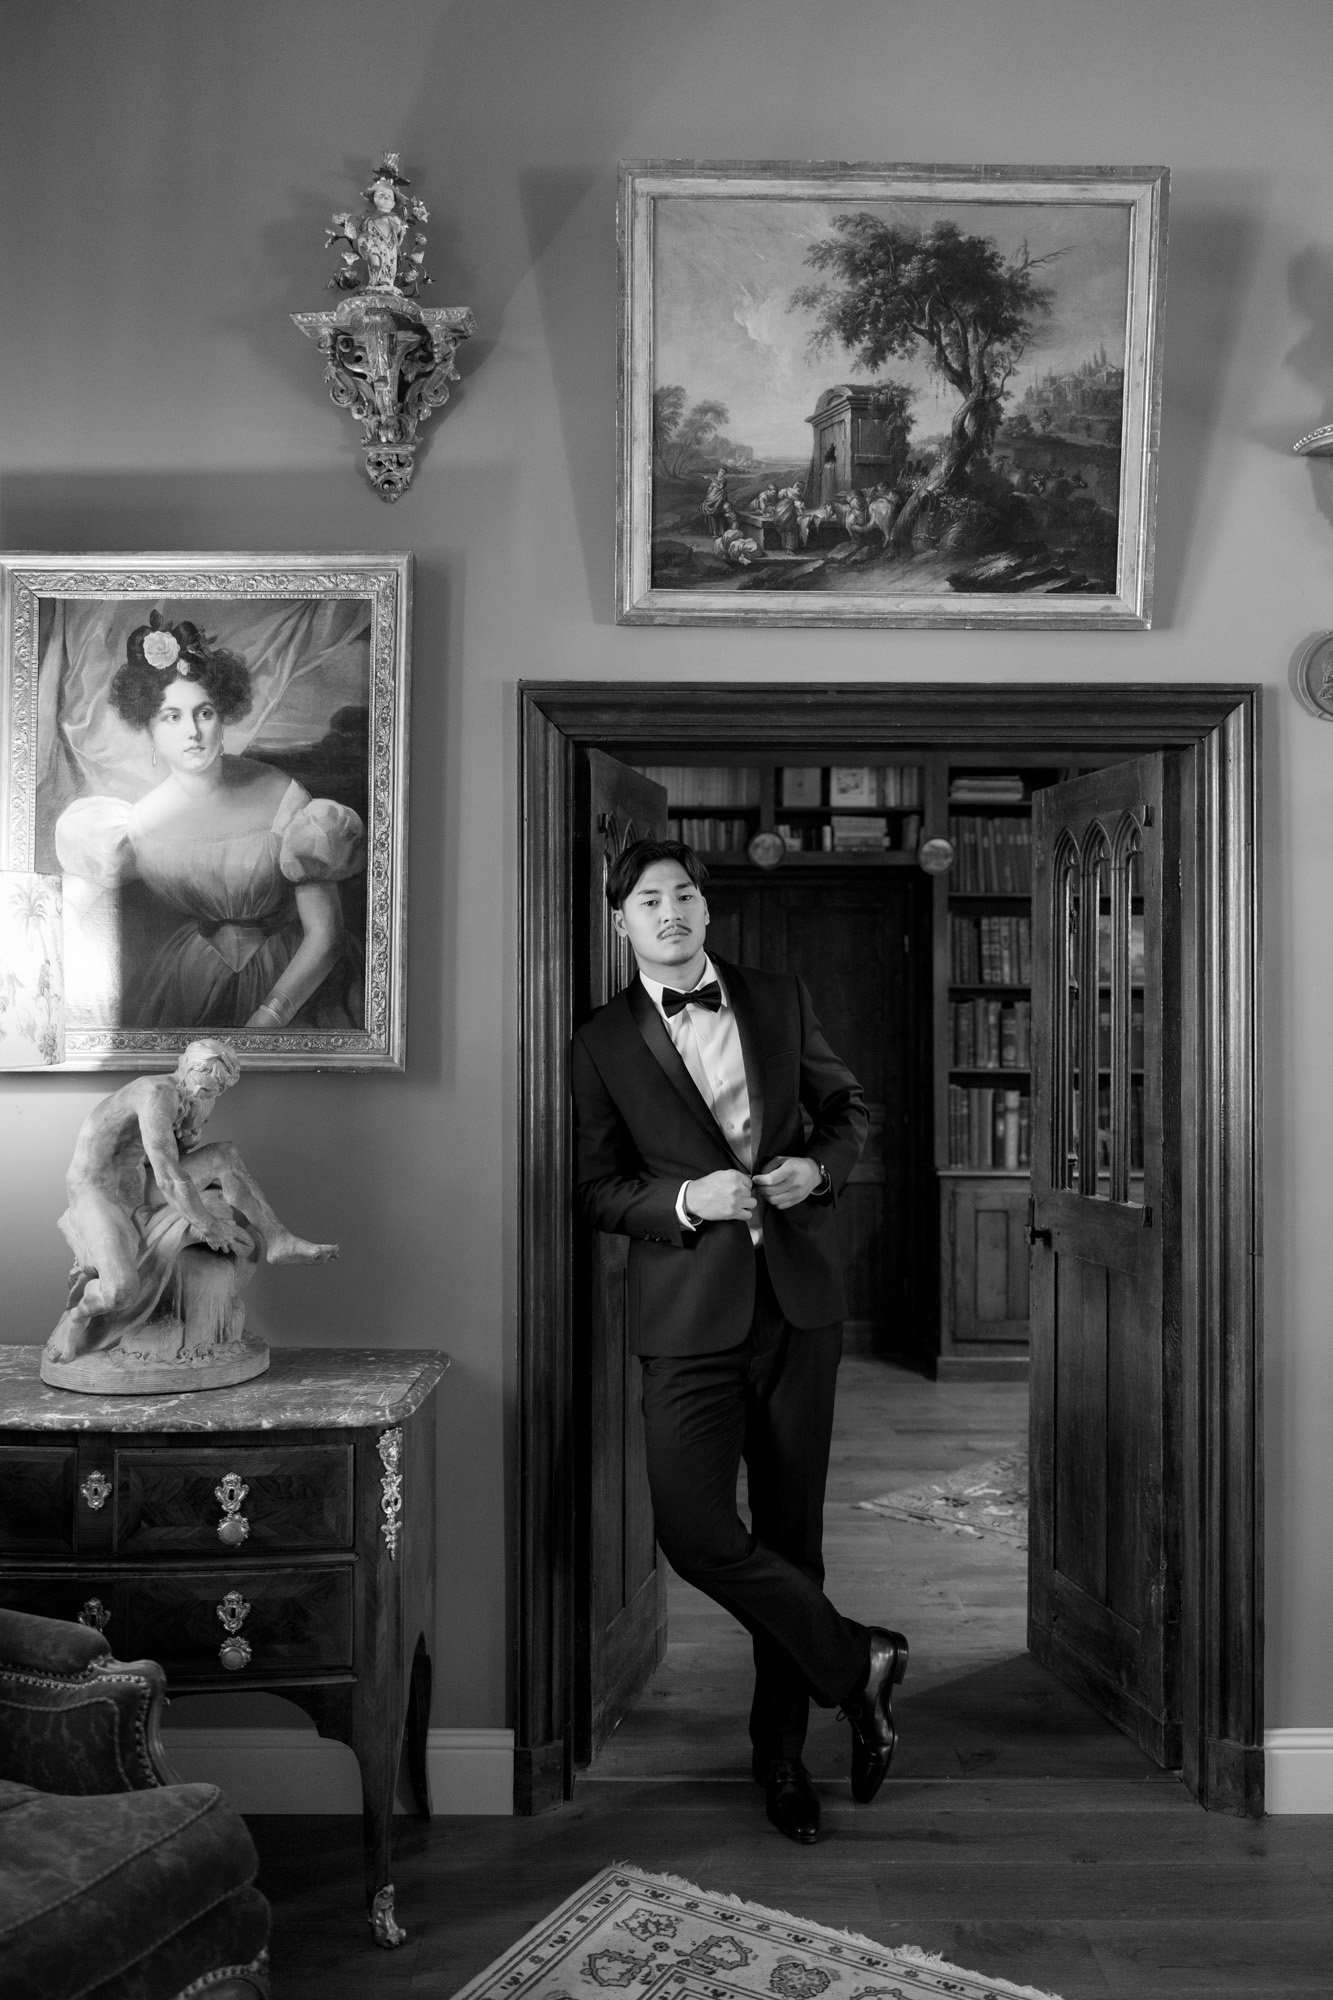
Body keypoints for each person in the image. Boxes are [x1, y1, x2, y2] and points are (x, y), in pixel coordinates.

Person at [571, 837, 909, 1846]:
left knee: (793, 1539)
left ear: (705, 911)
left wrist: (822, 1167)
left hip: (798, 1306)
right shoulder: (599, 1039)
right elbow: (594, 1188)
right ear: (621, 921)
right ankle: (859, 1664)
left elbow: (851, 1106)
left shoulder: (776, 995)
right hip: (687, 1317)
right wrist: (683, 1196)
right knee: (695, 1529)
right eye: (646, 899)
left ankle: (781, 1757)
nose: (668, 911)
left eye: (682, 894)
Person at [55, 612, 365, 1032]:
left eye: (204, 713)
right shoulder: (139, 823)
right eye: (172, 717)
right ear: (149, 730)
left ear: (222, 717)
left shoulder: (282, 795)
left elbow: (325, 935)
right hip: (191, 981)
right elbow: (63, 909)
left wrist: (270, 1016)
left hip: (295, 986)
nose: (193, 732)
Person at [45, 1038, 337, 1366]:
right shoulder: (156, 1095)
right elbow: (170, 1177)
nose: (207, 1094)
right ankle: (77, 1317)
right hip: (100, 1195)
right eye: (205, 1084)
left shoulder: (195, 1098)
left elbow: (165, 1160)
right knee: (119, 1291)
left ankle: (279, 1240)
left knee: (225, 1156)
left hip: (139, 1184)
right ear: (187, 1069)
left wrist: (189, 1141)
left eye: (217, 1089)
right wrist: (209, 1225)